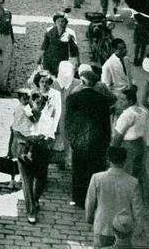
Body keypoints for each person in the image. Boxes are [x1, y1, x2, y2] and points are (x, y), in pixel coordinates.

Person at [65, 65, 111, 208]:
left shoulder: (73, 98)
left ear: (83, 82)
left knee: (79, 170)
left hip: (79, 141)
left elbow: (69, 121)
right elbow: (106, 124)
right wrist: (106, 141)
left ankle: (79, 199)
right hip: (97, 141)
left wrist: (71, 139)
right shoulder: (102, 100)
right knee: (95, 170)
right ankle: (94, 199)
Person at [85, 146, 142, 249]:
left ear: (108, 159)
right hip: (124, 228)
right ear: (125, 161)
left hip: (102, 225)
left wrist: (89, 217)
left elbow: (90, 202)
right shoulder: (133, 182)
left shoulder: (97, 178)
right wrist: (137, 229)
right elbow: (137, 209)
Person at [112, 85, 149, 201]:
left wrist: (113, 150)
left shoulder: (127, 115)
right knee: (136, 172)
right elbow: (147, 130)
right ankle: (137, 197)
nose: (120, 102)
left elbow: (118, 135)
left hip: (128, 146)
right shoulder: (143, 111)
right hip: (140, 144)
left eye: (122, 100)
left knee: (126, 173)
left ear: (130, 101)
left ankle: (125, 198)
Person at [16, 92, 51, 224]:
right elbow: (16, 132)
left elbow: (52, 135)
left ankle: (35, 200)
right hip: (25, 152)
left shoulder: (47, 117)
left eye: (42, 104)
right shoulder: (23, 114)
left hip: (41, 152)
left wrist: (46, 138)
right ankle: (31, 211)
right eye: (37, 103)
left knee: (41, 179)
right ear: (32, 102)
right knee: (27, 183)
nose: (40, 106)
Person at [53, 61, 81, 170]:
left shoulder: (78, 84)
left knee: (72, 140)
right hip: (58, 119)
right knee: (59, 141)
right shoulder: (53, 85)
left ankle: (70, 161)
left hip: (72, 118)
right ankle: (60, 160)